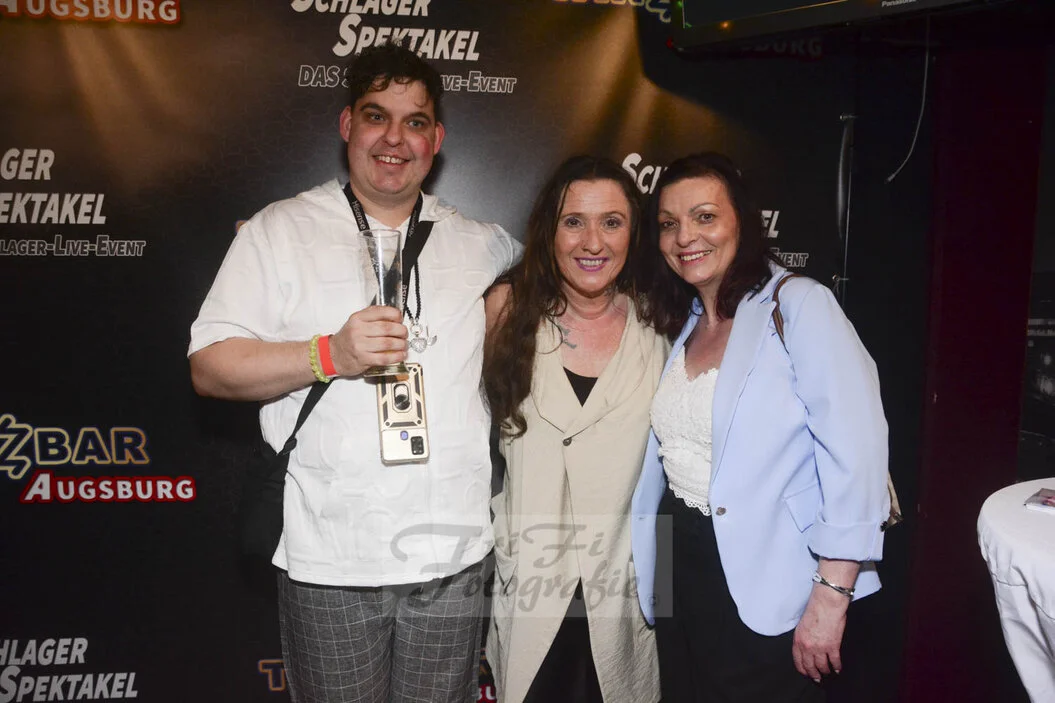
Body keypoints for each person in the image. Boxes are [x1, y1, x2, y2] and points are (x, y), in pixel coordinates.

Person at [188, 43, 521, 703]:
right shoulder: (278, 231)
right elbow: (210, 366)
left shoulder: (483, 243)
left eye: (415, 121)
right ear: (347, 125)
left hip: (452, 557)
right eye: (376, 116)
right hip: (331, 560)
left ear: (436, 140)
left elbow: (562, 285)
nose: (394, 138)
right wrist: (328, 356)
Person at [630, 152, 889, 702]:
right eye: (669, 223)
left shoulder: (799, 304)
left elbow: (858, 453)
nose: (685, 237)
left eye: (705, 217)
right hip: (679, 559)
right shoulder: (687, 320)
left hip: (769, 573)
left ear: (743, 223)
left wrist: (832, 594)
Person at [483, 156, 666, 703]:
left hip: (624, 587)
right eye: (573, 222)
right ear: (549, 231)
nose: (593, 242)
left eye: (612, 222)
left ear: (634, 233)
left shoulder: (661, 323)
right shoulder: (507, 311)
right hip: (530, 582)